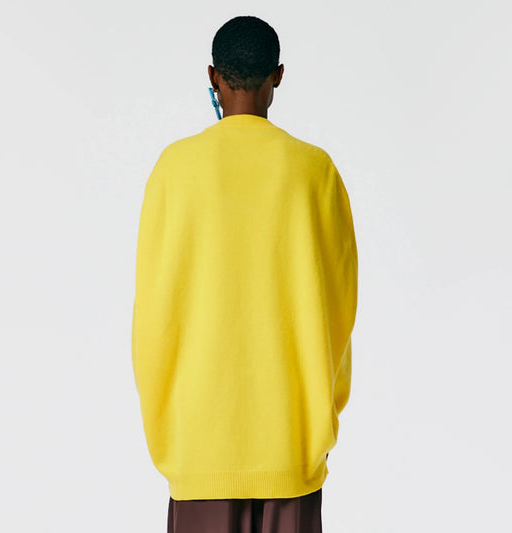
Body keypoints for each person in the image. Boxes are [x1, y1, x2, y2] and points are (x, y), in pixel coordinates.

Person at [132, 15, 358, 533]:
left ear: (213, 76)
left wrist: (167, 433)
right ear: (278, 76)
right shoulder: (315, 171)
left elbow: (153, 317)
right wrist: (322, 417)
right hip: (291, 444)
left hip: (198, 447)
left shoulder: (173, 169)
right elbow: (341, 312)